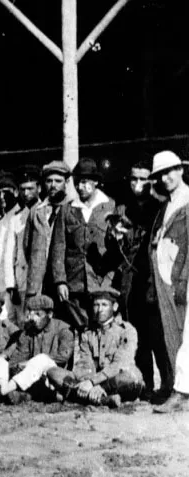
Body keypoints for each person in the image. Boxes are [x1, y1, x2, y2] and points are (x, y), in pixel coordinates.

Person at [104, 161, 164, 399]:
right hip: (130, 280)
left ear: (151, 180)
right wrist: (114, 236)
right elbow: (114, 249)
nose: (138, 184)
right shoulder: (122, 208)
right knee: (136, 332)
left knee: (158, 334)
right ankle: (145, 384)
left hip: (154, 278)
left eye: (143, 179)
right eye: (133, 179)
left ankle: (168, 384)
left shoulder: (159, 206)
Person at [47, 289, 144, 408]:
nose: (100, 309)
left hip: (115, 380)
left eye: (104, 305)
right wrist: (88, 381)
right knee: (53, 372)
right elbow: (85, 363)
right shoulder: (87, 333)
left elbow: (119, 364)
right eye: (96, 305)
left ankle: (79, 396)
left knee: (132, 377)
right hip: (92, 381)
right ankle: (105, 400)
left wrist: (95, 383)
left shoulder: (127, 330)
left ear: (114, 307)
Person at [50, 158, 116, 330]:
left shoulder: (110, 206)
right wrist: (60, 281)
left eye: (85, 182)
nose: (80, 187)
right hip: (75, 283)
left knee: (104, 328)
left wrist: (110, 278)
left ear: (95, 182)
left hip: (102, 281)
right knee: (79, 329)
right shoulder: (67, 210)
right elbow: (58, 247)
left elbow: (116, 249)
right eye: (77, 182)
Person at [0, 295, 74, 405]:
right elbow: (18, 357)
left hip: (52, 378)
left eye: (38, 314)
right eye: (31, 313)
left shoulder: (63, 330)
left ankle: (1, 393)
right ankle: (6, 388)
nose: (33, 318)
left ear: (50, 314)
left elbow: (63, 356)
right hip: (28, 377)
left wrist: (30, 363)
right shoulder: (29, 331)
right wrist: (18, 366)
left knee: (41, 359)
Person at [148, 151, 189, 412]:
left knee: (187, 334)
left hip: (183, 276)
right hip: (166, 277)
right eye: (161, 174)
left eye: (170, 171)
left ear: (181, 170)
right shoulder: (166, 204)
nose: (166, 177)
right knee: (172, 333)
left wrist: (183, 279)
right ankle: (176, 384)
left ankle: (182, 393)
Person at [25, 161, 72, 299]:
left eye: (58, 181)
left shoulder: (73, 209)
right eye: (49, 181)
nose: (53, 185)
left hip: (64, 281)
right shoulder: (36, 211)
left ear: (67, 182)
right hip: (39, 281)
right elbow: (27, 246)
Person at [8, 165, 42, 324]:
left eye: (30, 188)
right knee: (23, 323)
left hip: (42, 279)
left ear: (39, 188)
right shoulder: (16, 219)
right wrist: (12, 285)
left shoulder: (47, 213)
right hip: (22, 280)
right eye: (23, 189)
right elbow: (11, 254)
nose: (26, 193)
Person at [0, 173, 23, 319]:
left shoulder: (21, 216)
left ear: (16, 192)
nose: (1, 197)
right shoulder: (1, 220)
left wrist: (13, 285)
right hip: (1, 285)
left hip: (16, 286)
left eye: (6, 192)